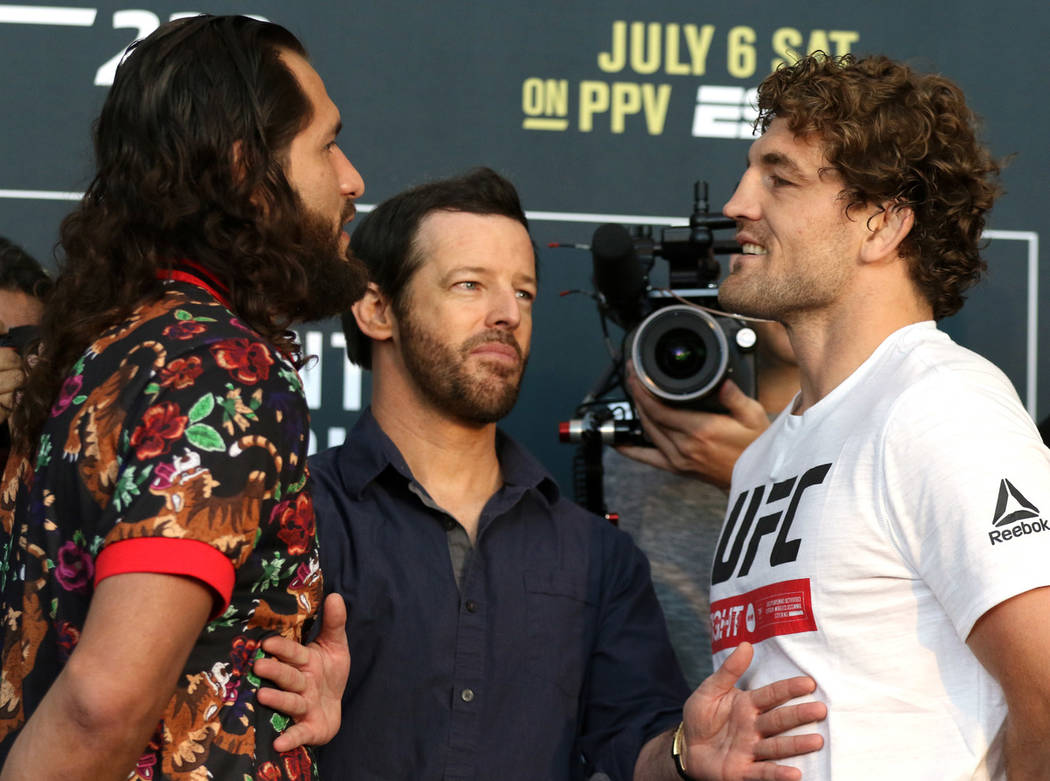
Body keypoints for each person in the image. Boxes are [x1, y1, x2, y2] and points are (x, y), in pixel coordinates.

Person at [303, 167, 826, 780]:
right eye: (470, 285)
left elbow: (635, 739)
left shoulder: (598, 555)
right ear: (375, 309)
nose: (506, 314)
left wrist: (687, 754)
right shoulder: (296, 514)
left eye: (523, 293)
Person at [0, 15, 363, 779]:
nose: (351, 178)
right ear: (243, 169)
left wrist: (251, 692)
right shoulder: (220, 367)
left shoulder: (104, 346)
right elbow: (102, 702)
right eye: (327, 144)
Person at [687, 52, 1047, 779]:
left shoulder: (943, 408)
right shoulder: (765, 454)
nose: (737, 204)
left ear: (881, 224)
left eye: (779, 177)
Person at [607, 320, 799, 685]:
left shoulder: (895, 427)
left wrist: (758, 477)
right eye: (758, 256)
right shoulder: (653, 432)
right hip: (666, 728)